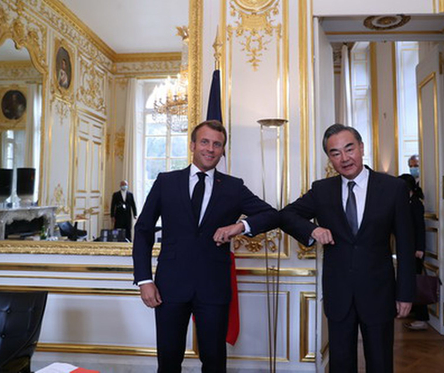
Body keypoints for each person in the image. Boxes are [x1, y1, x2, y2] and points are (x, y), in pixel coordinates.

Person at [132, 120, 279, 372]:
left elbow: (272, 215)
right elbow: (143, 230)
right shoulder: (166, 182)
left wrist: (239, 227)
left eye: (217, 144)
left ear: (223, 151)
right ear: (192, 145)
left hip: (213, 287)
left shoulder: (234, 187)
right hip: (169, 287)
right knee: (168, 361)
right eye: (205, 142)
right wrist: (144, 280)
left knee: (213, 362)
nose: (210, 149)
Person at [280, 124, 415, 372]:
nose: (344, 158)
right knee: (340, 364)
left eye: (349, 149)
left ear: (361, 148)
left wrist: (405, 293)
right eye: (335, 153)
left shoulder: (392, 188)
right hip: (339, 294)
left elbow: (406, 244)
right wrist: (313, 230)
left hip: (379, 293)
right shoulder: (322, 190)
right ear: (330, 158)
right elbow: (286, 215)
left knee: (380, 362)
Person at [398, 173, 429, 330]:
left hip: (415, 250)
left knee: (417, 284)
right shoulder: (407, 202)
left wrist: (419, 248)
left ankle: (422, 318)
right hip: (409, 249)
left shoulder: (415, 203)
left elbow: (419, 227)